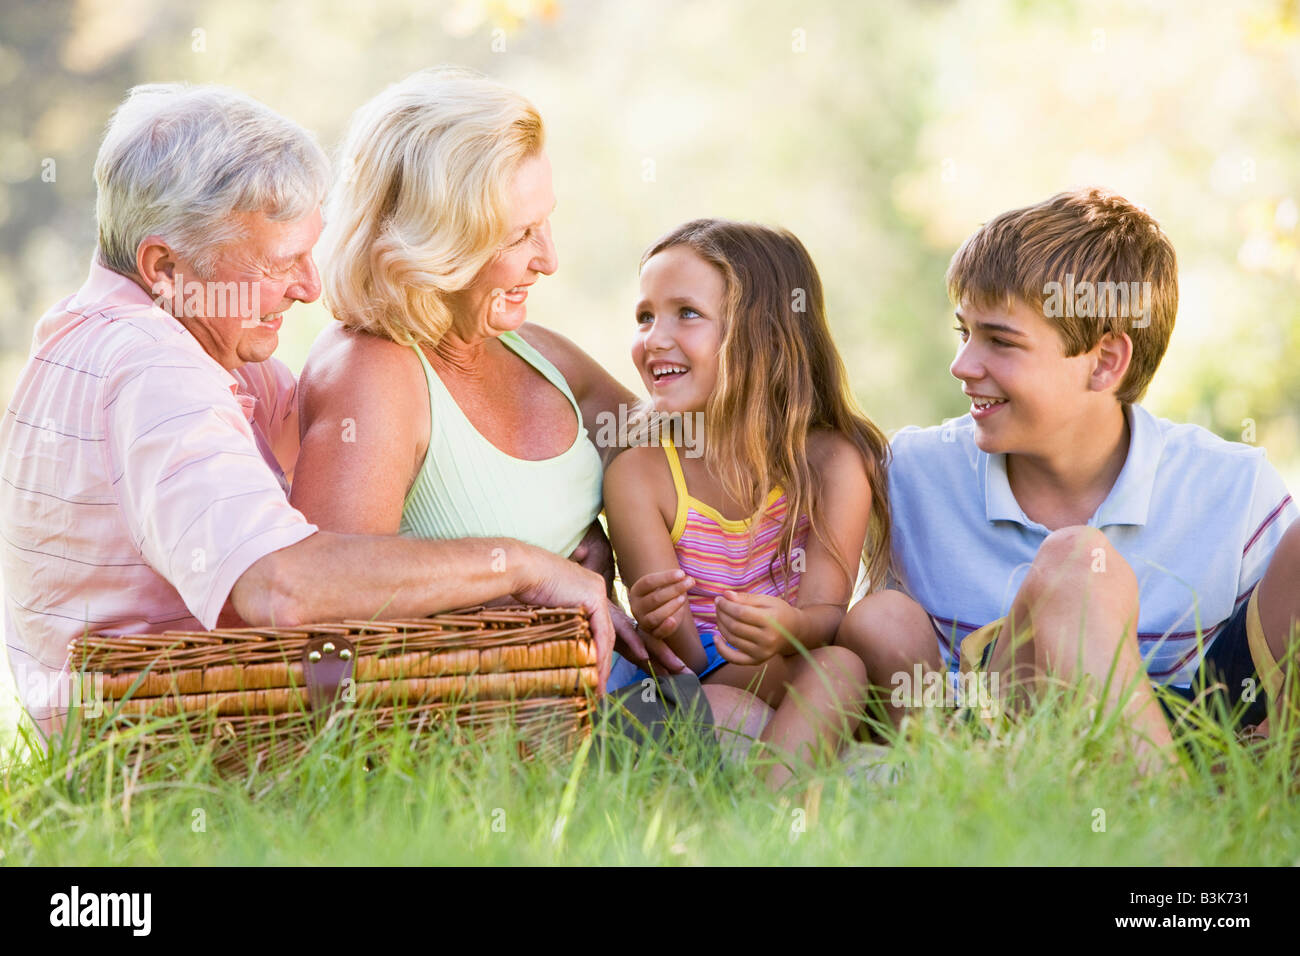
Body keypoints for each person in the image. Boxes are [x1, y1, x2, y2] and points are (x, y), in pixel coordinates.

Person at [0, 83, 615, 740]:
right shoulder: (153, 367)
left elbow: (329, 482)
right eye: (280, 262)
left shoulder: (99, 334)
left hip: (153, 731)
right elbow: (284, 589)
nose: (309, 287)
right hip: (169, 756)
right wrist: (520, 565)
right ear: (164, 266)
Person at [290, 67, 725, 732]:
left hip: (607, 690)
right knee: (758, 732)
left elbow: (691, 455)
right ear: (439, 238)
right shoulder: (373, 372)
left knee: (809, 700)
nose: (548, 259)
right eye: (519, 235)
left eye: (545, 224)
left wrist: (612, 538)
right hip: (490, 730)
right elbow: (316, 592)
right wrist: (524, 569)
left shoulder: (534, 351)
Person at [836, 188, 1299, 772]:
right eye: (965, 334)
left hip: (1196, 726)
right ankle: (1166, 817)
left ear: (1105, 362)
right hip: (1008, 740)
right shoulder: (914, 475)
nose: (962, 365)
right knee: (1078, 564)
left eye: (1000, 341)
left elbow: (1259, 669)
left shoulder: (1233, 487)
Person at [602, 219, 890, 788]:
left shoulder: (832, 463)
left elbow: (828, 618)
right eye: (645, 316)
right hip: (703, 683)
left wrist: (789, 630)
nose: (654, 338)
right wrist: (662, 621)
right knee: (730, 713)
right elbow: (680, 662)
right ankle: (792, 800)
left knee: (843, 666)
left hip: (797, 672)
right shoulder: (641, 473)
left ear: (766, 334)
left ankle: (769, 807)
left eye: (686, 313)